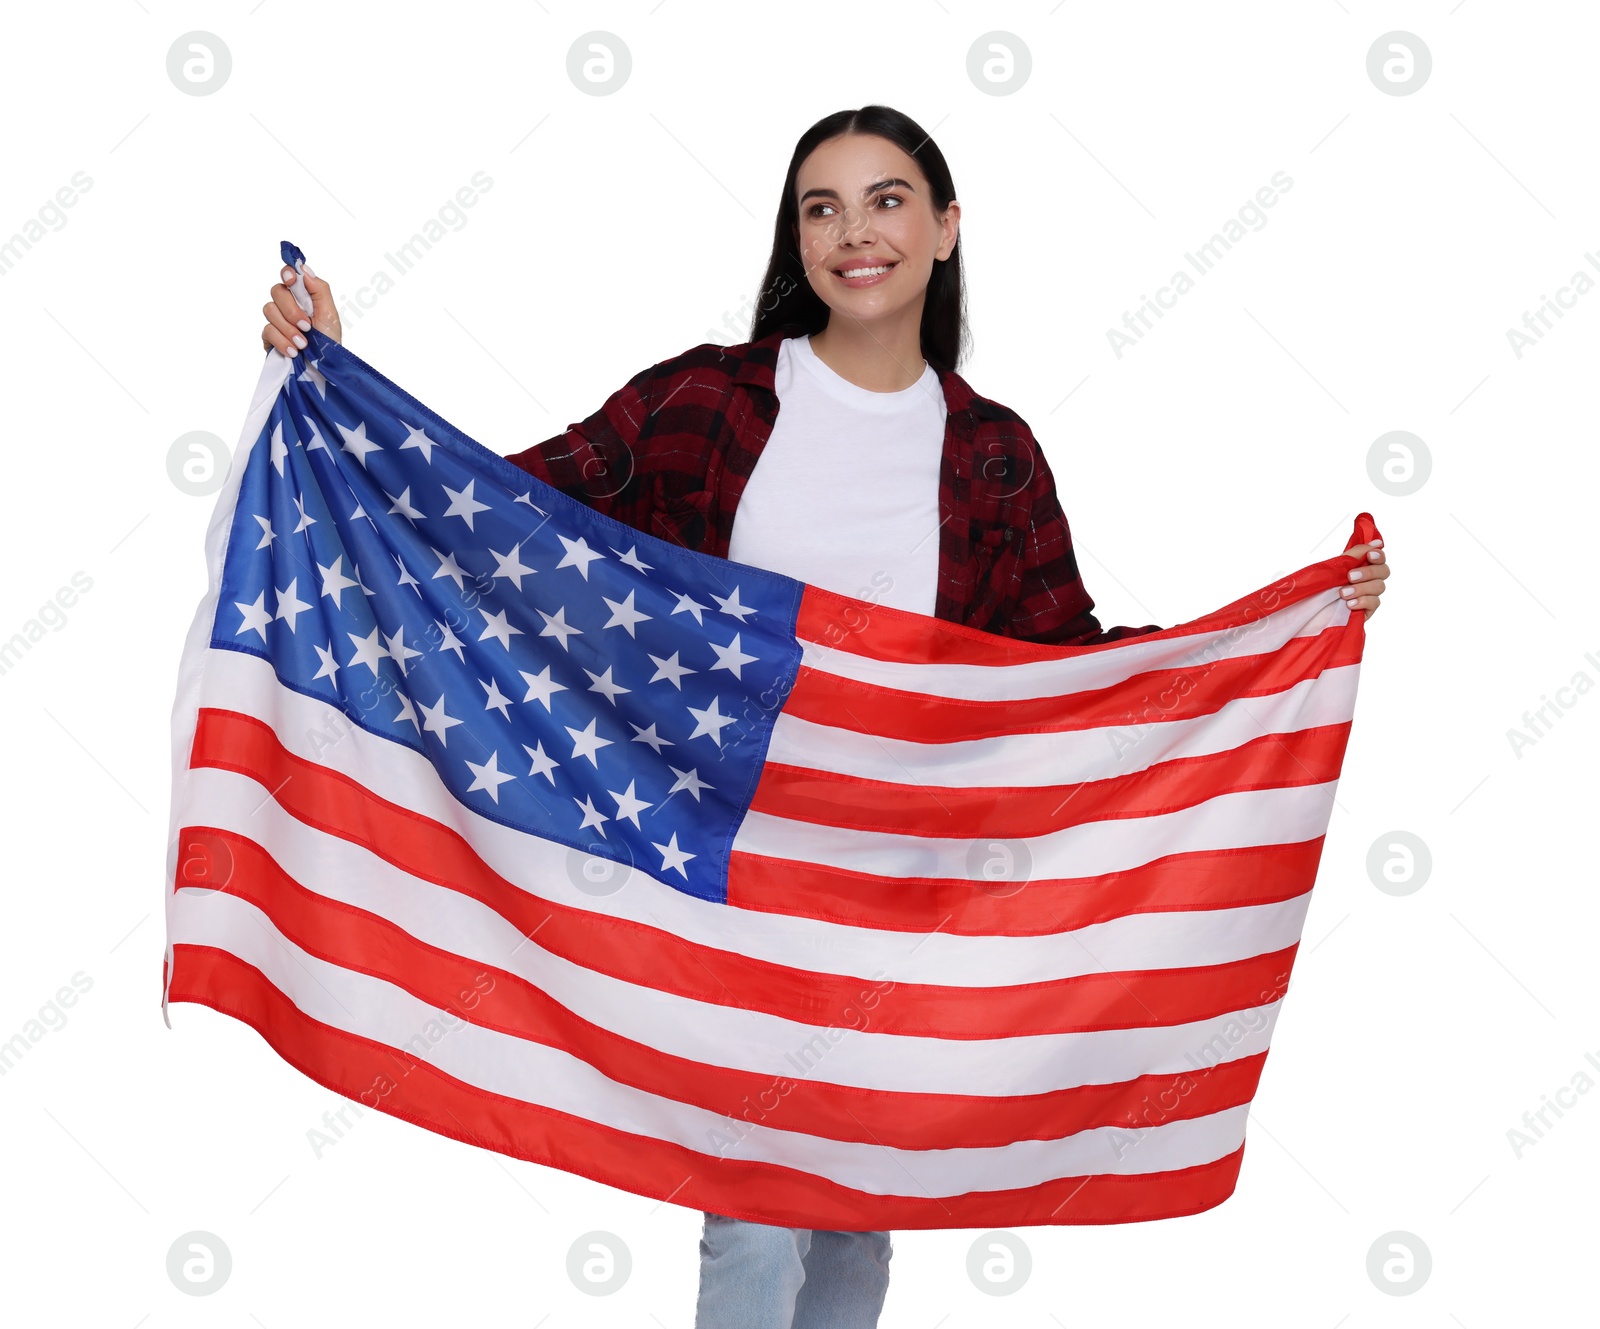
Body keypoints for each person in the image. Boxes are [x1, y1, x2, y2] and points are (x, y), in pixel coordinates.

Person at [258, 103, 1391, 1329]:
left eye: (888, 199)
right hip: (735, 882)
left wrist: (1280, 635)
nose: (855, 231)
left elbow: (1065, 668)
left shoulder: (992, 453)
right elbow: (500, 517)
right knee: (754, 1222)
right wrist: (345, 382)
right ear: (796, 238)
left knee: (855, 1224)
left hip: (902, 898)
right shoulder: (708, 401)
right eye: (822, 206)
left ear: (946, 229)